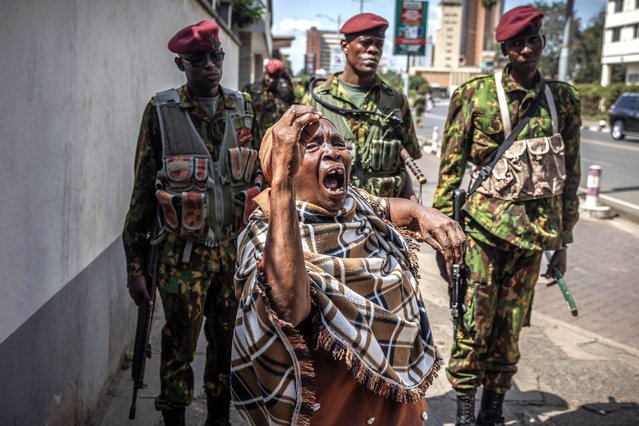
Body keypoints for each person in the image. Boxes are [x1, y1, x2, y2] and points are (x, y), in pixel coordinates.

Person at [230, 108, 466, 425]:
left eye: (337, 142)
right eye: (311, 146)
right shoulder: (265, 236)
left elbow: (386, 207)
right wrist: (283, 184)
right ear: (281, 164)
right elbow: (287, 307)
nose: (332, 152)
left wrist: (421, 212)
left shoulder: (354, 205)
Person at [432, 6, 581, 426]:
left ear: (543, 43)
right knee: (472, 326)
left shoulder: (562, 100)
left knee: (510, 328)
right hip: (481, 232)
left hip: (533, 237)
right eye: (518, 42)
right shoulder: (474, 95)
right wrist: (445, 238)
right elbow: (449, 171)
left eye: (533, 39)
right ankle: (464, 412)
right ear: (504, 47)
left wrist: (562, 241)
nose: (527, 48)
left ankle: (492, 412)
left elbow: (568, 175)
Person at [122, 20, 263, 426]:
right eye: (198, 59)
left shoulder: (244, 108)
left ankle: (218, 418)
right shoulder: (161, 112)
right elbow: (142, 194)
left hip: (234, 258)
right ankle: (176, 419)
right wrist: (135, 268)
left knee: (226, 347)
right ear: (180, 64)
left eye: (215, 56)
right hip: (182, 261)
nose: (210, 66)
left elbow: (261, 181)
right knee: (178, 349)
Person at [302, 13, 422, 201]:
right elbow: (299, 165)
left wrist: (415, 207)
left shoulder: (395, 102)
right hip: (334, 217)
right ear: (345, 46)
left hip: (387, 216)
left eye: (379, 44)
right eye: (366, 43)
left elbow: (404, 162)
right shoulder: (315, 101)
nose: (373, 50)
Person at [243, 58, 296, 134]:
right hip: (257, 138)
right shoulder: (251, 90)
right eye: (270, 75)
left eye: (276, 77)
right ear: (265, 73)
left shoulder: (285, 92)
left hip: (279, 137)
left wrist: (288, 79)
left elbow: (293, 108)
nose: (271, 80)